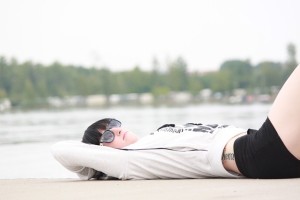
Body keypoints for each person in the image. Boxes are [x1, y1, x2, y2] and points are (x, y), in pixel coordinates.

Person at [52, 65, 300, 180]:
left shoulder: (155, 138)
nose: (116, 130)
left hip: (256, 143)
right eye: (107, 136)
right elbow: (60, 151)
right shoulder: (129, 161)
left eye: (113, 124)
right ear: (101, 155)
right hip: (256, 154)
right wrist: (98, 159)